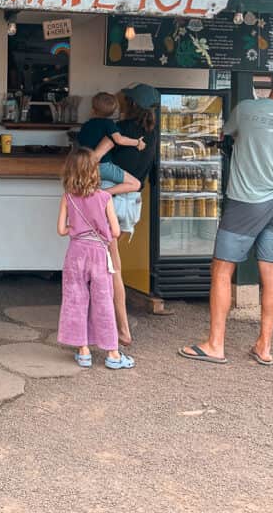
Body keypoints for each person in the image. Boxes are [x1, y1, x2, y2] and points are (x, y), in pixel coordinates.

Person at [180, 60, 273, 366]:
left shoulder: (247, 109)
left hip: (245, 201)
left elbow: (226, 135)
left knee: (222, 270)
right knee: (271, 270)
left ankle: (215, 344)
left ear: (270, 80)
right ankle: (264, 346)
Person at [93, 83, 160, 346]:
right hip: (132, 203)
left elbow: (94, 158)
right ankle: (105, 320)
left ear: (130, 104)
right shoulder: (152, 135)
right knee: (108, 263)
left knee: (112, 268)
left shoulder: (119, 131)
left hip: (111, 200)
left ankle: (121, 328)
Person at [56, 148, 135, 370]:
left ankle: (83, 352)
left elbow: (61, 229)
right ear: (94, 171)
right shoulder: (105, 197)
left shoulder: (68, 196)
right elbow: (116, 232)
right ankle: (112, 353)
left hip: (76, 253)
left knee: (75, 299)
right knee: (103, 300)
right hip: (99, 253)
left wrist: (75, 229)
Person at [76, 92, 146, 196]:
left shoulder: (86, 125)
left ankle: (96, 193)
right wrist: (137, 142)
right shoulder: (108, 124)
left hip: (85, 166)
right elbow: (119, 140)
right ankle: (102, 194)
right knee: (135, 184)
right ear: (112, 113)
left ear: (93, 109)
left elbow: (80, 142)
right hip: (103, 166)